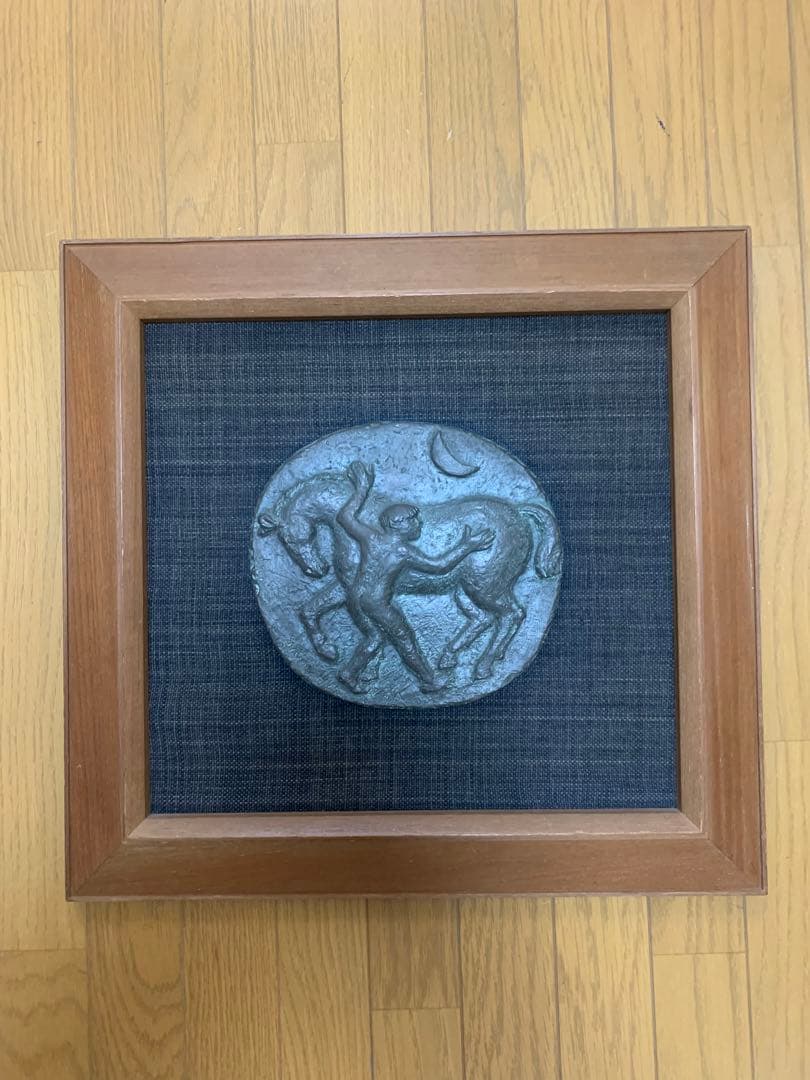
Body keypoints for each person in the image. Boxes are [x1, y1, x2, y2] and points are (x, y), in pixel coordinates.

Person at [335, 460, 494, 693]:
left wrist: (361, 489)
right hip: (376, 603)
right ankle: (429, 680)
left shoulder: (371, 537)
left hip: (355, 597)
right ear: (397, 524)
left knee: (375, 638)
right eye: (413, 520)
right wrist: (467, 546)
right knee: (404, 639)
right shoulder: (402, 551)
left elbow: (345, 517)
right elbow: (439, 566)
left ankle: (349, 673)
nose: (419, 523)